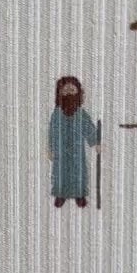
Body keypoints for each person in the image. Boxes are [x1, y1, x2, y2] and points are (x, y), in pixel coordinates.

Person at [48, 76, 100, 208]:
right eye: (65, 90)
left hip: (77, 151)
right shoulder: (56, 114)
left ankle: (80, 195)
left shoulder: (81, 114)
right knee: (61, 173)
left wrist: (95, 142)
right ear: (60, 93)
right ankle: (60, 195)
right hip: (61, 151)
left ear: (78, 92)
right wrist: (51, 149)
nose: (69, 93)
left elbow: (89, 128)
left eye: (72, 90)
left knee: (78, 172)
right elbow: (52, 132)